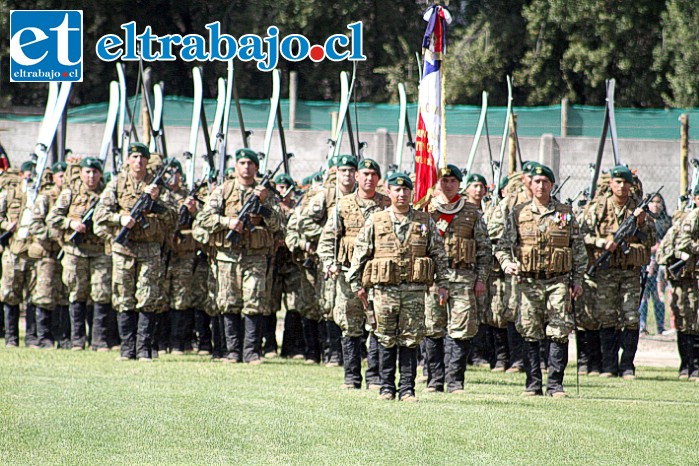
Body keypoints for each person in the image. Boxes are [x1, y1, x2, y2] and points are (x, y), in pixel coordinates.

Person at [348, 172, 451, 402]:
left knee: (410, 339)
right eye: (397, 189)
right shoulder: (376, 220)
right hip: (385, 291)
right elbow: (360, 253)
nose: (402, 194)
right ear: (389, 191)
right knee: (385, 337)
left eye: (406, 190)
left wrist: (443, 284)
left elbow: (439, 254)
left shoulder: (424, 221)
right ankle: (386, 387)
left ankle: (407, 388)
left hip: (414, 291)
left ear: (412, 192)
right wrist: (356, 284)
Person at [496, 164, 586, 397]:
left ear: (552, 185)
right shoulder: (519, 212)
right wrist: (507, 263)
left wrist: (577, 281)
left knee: (559, 330)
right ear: (530, 184)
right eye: (536, 181)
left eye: (545, 181)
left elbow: (577, 250)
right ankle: (533, 383)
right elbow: (503, 246)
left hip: (558, 281)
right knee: (530, 331)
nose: (541, 185)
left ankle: (555, 384)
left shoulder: (565, 213)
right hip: (529, 282)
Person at [194, 148, 282, 364]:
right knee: (228, 302)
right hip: (227, 256)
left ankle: (251, 351)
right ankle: (232, 351)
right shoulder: (224, 190)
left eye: (250, 163)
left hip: (256, 256)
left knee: (254, 301)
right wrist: (227, 222)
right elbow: (204, 218)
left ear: (256, 167)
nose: (246, 167)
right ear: (236, 166)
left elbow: (279, 223)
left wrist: (262, 207)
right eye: (242, 163)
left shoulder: (266, 194)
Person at [93, 142, 177, 361]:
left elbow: (174, 218)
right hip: (124, 247)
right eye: (135, 156)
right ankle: (127, 348)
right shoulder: (116, 184)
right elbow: (100, 214)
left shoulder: (158, 187)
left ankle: (143, 348)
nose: (139, 161)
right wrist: (120, 219)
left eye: (143, 157)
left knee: (148, 297)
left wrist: (157, 201)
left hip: (150, 248)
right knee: (123, 297)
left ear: (148, 161)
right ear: (128, 160)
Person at [318, 158, 390, 390]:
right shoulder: (344, 204)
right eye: (365, 174)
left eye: (373, 174)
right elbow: (328, 239)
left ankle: (374, 377)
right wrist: (329, 263)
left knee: (378, 325)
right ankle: (351, 377)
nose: (369, 178)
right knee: (350, 326)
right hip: (348, 275)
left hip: (379, 276)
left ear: (378, 179)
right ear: (357, 177)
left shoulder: (386, 205)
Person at [581, 166, 655, 379]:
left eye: (626, 182)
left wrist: (641, 224)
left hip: (630, 272)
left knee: (631, 317)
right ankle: (609, 365)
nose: (622, 186)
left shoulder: (639, 209)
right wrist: (601, 242)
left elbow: (652, 241)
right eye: (618, 182)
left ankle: (627, 366)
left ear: (631, 185)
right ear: (611, 184)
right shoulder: (598, 207)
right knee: (607, 317)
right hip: (606, 272)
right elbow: (582, 235)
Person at [424, 167, 491, 393]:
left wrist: (481, 278)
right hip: (434, 277)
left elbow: (484, 249)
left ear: (460, 184)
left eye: (453, 181)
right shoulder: (427, 210)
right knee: (433, 326)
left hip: (463, 276)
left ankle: (455, 381)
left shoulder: (471, 212)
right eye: (444, 180)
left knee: (461, 328)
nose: (449, 185)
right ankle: (434, 380)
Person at [302, 155, 356, 366]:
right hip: (330, 259)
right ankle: (332, 352)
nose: (348, 175)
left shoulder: (361, 197)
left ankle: (352, 353)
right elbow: (304, 222)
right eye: (344, 171)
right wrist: (327, 234)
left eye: (351, 171)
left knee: (351, 308)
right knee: (329, 304)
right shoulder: (326, 196)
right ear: (337, 173)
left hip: (354, 261)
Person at [160, 158, 199, 354]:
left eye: (175, 173)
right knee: (160, 296)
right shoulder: (159, 195)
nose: (171, 178)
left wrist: (193, 211)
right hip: (162, 253)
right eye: (167, 174)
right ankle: (160, 341)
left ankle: (178, 341)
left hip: (183, 254)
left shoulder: (189, 197)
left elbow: (201, 223)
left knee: (181, 298)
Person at [29, 161, 70, 349]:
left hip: (68, 253)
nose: (63, 178)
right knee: (44, 294)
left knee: (64, 295)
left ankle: (62, 336)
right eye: (60, 175)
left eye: (66, 175)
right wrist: (52, 235)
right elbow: (35, 225)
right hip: (49, 254)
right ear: (53, 177)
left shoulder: (71, 197)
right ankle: (42, 336)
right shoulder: (46, 197)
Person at [0, 160, 38, 347]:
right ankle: (11, 338)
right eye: (27, 174)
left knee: (33, 295)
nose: (29, 177)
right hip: (13, 249)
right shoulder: (10, 194)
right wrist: (7, 225)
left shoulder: (38, 195)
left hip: (33, 250)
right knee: (10, 294)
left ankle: (31, 337)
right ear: (21, 175)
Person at [667, 187, 699, 381]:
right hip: (690, 275)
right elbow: (683, 243)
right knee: (688, 320)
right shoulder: (692, 217)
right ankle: (689, 366)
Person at [638, 192, 671, 335]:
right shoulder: (644, 221)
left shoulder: (666, 221)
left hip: (661, 265)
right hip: (646, 263)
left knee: (658, 296)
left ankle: (660, 326)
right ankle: (642, 326)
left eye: (659, 202)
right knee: (644, 296)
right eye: (653, 202)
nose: (656, 205)